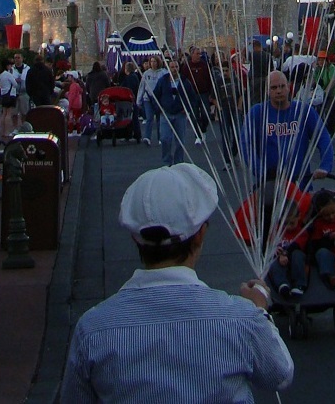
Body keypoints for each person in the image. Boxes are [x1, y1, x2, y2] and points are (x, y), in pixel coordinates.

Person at [60, 164, 293, 403]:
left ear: (135, 237)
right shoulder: (241, 318)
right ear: (201, 234)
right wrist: (259, 311)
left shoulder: (92, 329)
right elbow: (280, 375)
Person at [240, 71, 333, 188]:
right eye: (273, 88)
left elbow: (323, 137)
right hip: (269, 185)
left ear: (288, 87)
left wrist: (325, 165)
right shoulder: (257, 113)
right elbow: (246, 144)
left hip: (300, 186)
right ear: (267, 91)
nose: (279, 91)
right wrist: (262, 172)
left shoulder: (303, 111)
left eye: (282, 86)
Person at [266, 197, 309, 299]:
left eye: (291, 223)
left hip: (294, 256)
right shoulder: (276, 231)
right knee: (272, 262)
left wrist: (284, 254)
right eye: (284, 224)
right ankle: (282, 284)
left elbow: (296, 246)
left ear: (298, 217)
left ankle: (299, 284)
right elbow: (271, 245)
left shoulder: (301, 231)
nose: (288, 227)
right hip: (280, 258)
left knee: (297, 255)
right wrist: (276, 251)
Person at [153, 59, 191, 167]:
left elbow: (192, 97)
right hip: (166, 114)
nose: (174, 69)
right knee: (165, 138)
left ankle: (179, 162)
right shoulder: (163, 81)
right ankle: (166, 162)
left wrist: (187, 108)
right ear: (168, 69)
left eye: (176, 67)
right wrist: (158, 109)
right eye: (172, 67)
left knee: (180, 141)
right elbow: (155, 95)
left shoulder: (184, 81)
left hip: (180, 114)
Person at [137, 56, 164, 146]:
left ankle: (160, 137)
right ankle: (147, 137)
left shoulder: (163, 73)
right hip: (148, 98)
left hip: (159, 99)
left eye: (155, 61)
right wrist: (139, 101)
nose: (153, 63)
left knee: (160, 119)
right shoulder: (146, 74)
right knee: (149, 118)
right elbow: (142, 87)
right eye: (151, 61)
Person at [0, 56, 19, 140]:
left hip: (3, 95)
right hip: (10, 95)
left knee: (4, 113)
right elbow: (15, 84)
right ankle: (7, 131)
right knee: (8, 114)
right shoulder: (8, 74)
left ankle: (3, 131)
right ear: (7, 66)